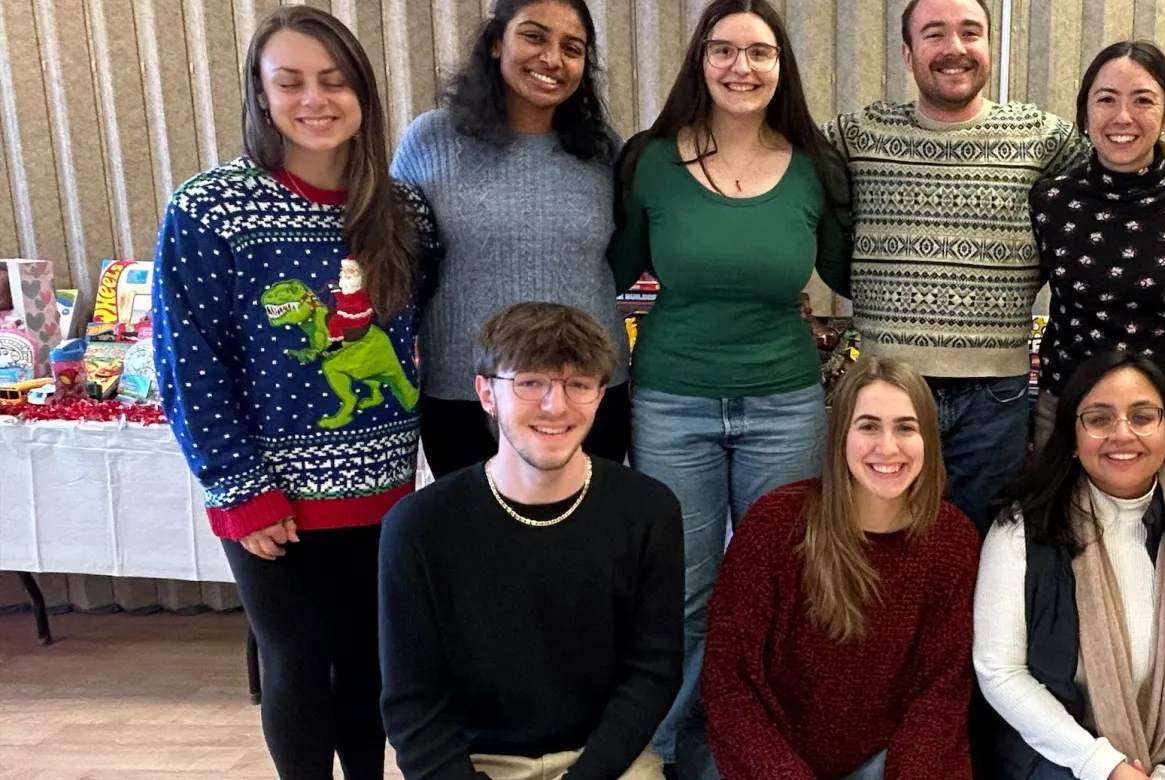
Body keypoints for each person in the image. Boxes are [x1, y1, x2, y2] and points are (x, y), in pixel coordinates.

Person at [151, 7, 436, 778]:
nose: (315, 99)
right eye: (291, 82)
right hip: (272, 499)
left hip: (382, 485)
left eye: (334, 81)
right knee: (299, 663)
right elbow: (187, 361)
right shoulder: (211, 207)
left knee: (367, 661)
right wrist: (241, 489)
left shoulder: (403, 210)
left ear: (363, 94)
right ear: (260, 92)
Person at [607, 0, 851, 773]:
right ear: (699, 61)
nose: (741, 67)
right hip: (672, 401)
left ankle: (764, 748)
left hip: (785, 404)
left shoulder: (815, 166)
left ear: (782, 66)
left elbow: (851, 271)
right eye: (723, 50)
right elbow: (611, 271)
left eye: (759, 52)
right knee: (683, 590)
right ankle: (665, 752)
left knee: (780, 586)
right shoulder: (651, 161)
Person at [379, 302, 681, 780]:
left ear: (600, 395)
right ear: (486, 393)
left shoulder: (648, 509)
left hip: (606, 761)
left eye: (578, 384)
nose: (555, 405)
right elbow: (411, 703)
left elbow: (653, 671)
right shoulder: (419, 525)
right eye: (530, 382)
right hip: (477, 764)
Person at [825, 0, 1092, 534]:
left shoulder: (1044, 138)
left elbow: (1122, 171)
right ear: (907, 53)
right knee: (881, 544)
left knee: (980, 546)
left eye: (971, 32)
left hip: (994, 395)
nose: (955, 48)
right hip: (888, 388)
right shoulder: (856, 136)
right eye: (935, 34)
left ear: (989, 45)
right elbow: (778, 162)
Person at [975, 351, 1165, 780]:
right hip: (1057, 762)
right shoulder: (1020, 530)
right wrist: (1104, 767)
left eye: (1142, 417)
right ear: (1072, 438)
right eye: (1100, 419)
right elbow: (1000, 670)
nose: (1122, 434)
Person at [699, 358, 977, 780]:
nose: (888, 447)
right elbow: (727, 678)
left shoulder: (952, 539)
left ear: (929, 440)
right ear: (840, 434)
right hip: (770, 756)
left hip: (888, 758)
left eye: (906, 427)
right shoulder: (775, 524)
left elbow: (941, 691)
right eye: (869, 426)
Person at [393, 0, 633, 476]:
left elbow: (623, 256)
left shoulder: (604, 150)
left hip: (585, 393)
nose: (552, 58)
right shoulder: (431, 140)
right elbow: (399, 260)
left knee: (588, 525)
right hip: (465, 395)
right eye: (534, 36)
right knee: (472, 526)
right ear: (495, 42)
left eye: (572, 48)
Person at [1028, 41, 1165, 468]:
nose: (1123, 117)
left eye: (1143, 100)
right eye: (1106, 99)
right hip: (1070, 407)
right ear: (1085, 114)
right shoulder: (1051, 200)